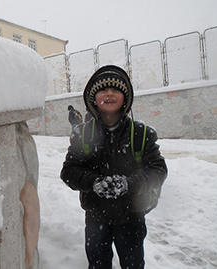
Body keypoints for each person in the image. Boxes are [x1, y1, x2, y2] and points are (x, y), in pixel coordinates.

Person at [60, 65, 168, 269]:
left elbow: (158, 170)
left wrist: (129, 184)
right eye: (103, 90)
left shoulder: (141, 133)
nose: (109, 93)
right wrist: (95, 182)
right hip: (96, 218)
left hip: (132, 217)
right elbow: (68, 172)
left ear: (125, 98)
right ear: (93, 99)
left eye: (116, 89)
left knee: (133, 264)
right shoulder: (82, 134)